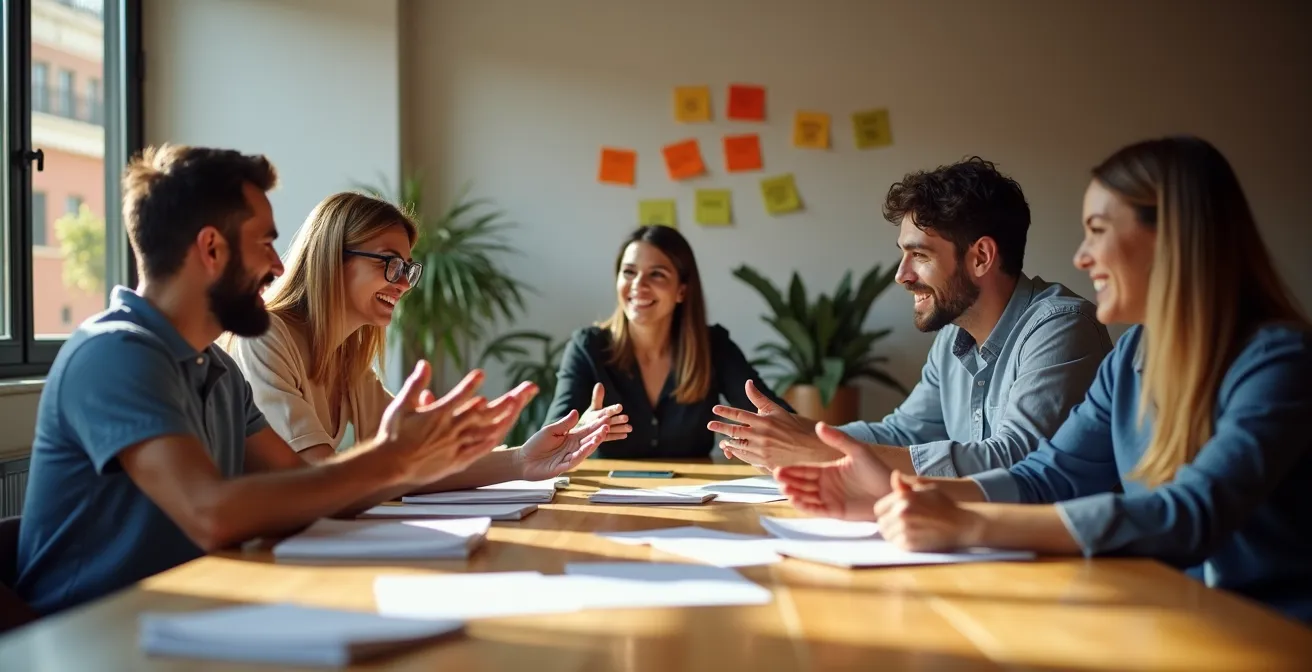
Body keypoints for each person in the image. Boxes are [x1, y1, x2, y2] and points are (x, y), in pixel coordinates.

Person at [14, 145, 602, 616]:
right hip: (91, 633)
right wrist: (395, 460)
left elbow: (305, 487)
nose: (277, 263)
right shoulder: (116, 354)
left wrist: (472, 458)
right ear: (211, 249)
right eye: (265, 242)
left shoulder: (214, 368)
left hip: (189, 612)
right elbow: (211, 513)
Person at [776, 137, 1312, 623]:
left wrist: (970, 524)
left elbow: (1190, 513)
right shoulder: (1130, 359)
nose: (1081, 257)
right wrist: (896, 500)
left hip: (1269, 636)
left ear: (1174, 239)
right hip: (1171, 618)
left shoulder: (1279, 361)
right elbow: (1046, 478)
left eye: (1098, 232)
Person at [710, 157, 1112, 477]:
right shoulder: (954, 340)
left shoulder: (1061, 328)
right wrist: (799, 436)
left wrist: (816, 450)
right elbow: (902, 433)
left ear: (981, 257)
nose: (901, 275)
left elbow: (1015, 462)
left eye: (919, 255)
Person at [224, 191, 626, 489]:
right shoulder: (266, 335)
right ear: (333, 256)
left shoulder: (349, 359)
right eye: (390, 264)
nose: (403, 284)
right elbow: (320, 483)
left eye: (407, 269)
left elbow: (418, 466)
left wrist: (522, 459)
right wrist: (408, 458)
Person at [545, 225, 792, 459]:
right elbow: (548, 443)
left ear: (682, 291)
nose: (638, 285)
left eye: (657, 274)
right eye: (629, 272)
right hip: (606, 499)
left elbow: (778, 419)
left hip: (695, 499)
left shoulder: (713, 345)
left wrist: (771, 438)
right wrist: (578, 432)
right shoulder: (588, 347)